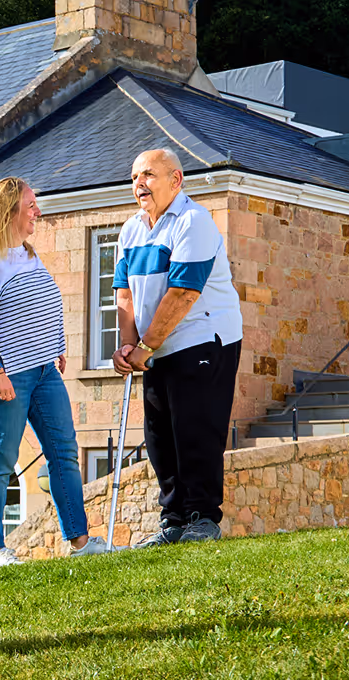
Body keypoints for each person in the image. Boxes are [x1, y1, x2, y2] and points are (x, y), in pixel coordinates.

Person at [0, 176, 112, 567]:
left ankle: (79, 543)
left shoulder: (28, 255)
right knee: (0, 459)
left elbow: (42, 301)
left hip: (44, 370)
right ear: (8, 211)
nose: (37, 212)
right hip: (6, 375)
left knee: (64, 452)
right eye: (30, 205)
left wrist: (57, 346)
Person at [110, 148, 244, 545]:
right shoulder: (130, 230)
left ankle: (203, 518)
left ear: (176, 180)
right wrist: (128, 344)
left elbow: (183, 292)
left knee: (195, 431)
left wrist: (144, 346)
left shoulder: (193, 221)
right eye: (134, 177)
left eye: (148, 175)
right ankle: (173, 521)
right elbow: (124, 295)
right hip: (155, 346)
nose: (139, 185)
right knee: (160, 436)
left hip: (201, 337)